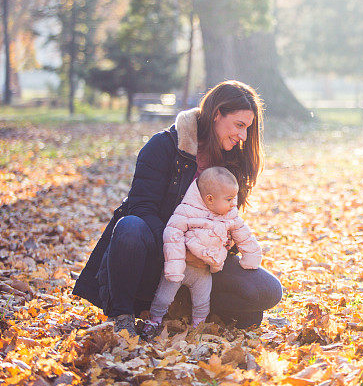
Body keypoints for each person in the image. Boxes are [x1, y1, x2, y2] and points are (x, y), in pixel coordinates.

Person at [73, 81, 283, 336]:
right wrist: (181, 249)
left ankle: (182, 304)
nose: (243, 136)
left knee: (267, 292)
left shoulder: (233, 163)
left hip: (202, 265)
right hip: (155, 256)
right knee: (129, 226)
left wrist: (224, 245)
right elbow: (141, 208)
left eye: (247, 128)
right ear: (217, 114)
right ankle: (124, 315)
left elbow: (231, 221)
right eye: (239, 125)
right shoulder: (164, 147)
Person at [140, 166, 264, 338]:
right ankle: (154, 320)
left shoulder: (230, 216)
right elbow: (172, 233)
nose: (233, 204)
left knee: (202, 302)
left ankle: (197, 326)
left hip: (204, 271)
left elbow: (245, 236)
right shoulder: (187, 211)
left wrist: (251, 256)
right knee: (164, 296)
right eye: (229, 199)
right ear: (210, 199)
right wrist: (176, 265)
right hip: (181, 268)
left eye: (234, 198)